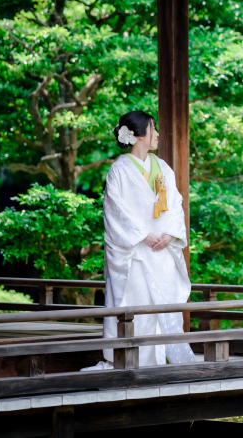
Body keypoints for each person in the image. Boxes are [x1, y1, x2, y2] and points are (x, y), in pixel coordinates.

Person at [83, 111, 197, 370]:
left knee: (166, 311)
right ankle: (132, 365)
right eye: (152, 128)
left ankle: (160, 365)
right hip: (134, 253)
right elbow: (115, 210)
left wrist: (169, 234)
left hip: (162, 252)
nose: (157, 134)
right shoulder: (119, 170)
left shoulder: (162, 167)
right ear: (137, 136)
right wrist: (144, 235)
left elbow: (176, 205)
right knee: (138, 308)